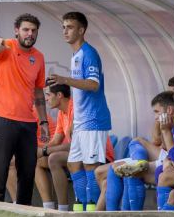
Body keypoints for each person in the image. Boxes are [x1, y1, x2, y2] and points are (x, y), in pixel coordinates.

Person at [48, 12, 111, 211]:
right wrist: (74, 119)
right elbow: (79, 93)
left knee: (91, 167)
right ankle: (82, 207)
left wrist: (65, 80)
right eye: (64, 27)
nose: (65, 31)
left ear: (81, 30)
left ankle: (91, 210)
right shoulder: (75, 54)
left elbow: (93, 85)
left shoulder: (88, 53)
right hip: (82, 122)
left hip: (93, 121)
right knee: (74, 165)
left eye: (70, 27)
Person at [0, 13, 50, 205]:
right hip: (2, 118)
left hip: (28, 123)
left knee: (27, 173)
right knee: (0, 171)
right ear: (17, 31)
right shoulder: (6, 46)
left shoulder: (39, 57)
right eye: (25, 30)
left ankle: (24, 210)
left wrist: (44, 122)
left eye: (33, 30)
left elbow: (39, 93)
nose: (29, 33)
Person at [93, 75, 174, 211]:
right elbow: (156, 140)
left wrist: (166, 134)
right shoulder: (169, 117)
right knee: (121, 164)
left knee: (121, 170)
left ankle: (121, 212)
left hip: (172, 161)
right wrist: (160, 124)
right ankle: (138, 162)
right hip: (166, 156)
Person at [34, 80, 115, 211]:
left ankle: (62, 209)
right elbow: (55, 141)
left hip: (100, 157)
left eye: (48, 94)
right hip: (81, 154)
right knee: (36, 161)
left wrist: (44, 150)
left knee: (53, 158)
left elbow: (75, 145)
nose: (46, 98)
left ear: (59, 95)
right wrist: (35, 151)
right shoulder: (61, 113)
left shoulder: (77, 109)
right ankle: (48, 207)